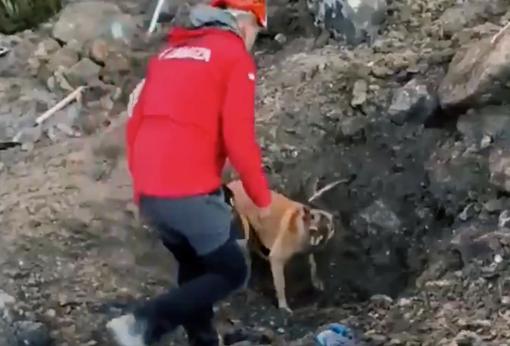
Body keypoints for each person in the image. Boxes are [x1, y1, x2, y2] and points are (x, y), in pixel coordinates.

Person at [106, 0, 272, 345]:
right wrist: (261, 197)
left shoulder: (170, 54)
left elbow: (136, 124)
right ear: (245, 23)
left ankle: (202, 339)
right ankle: (143, 322)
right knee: (231, 270)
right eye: (258, 30)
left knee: (194, 262)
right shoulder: (233, 55)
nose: (254, 38)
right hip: (186, 188)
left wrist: (145, 186)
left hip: (152, 190)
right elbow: (239, 139)